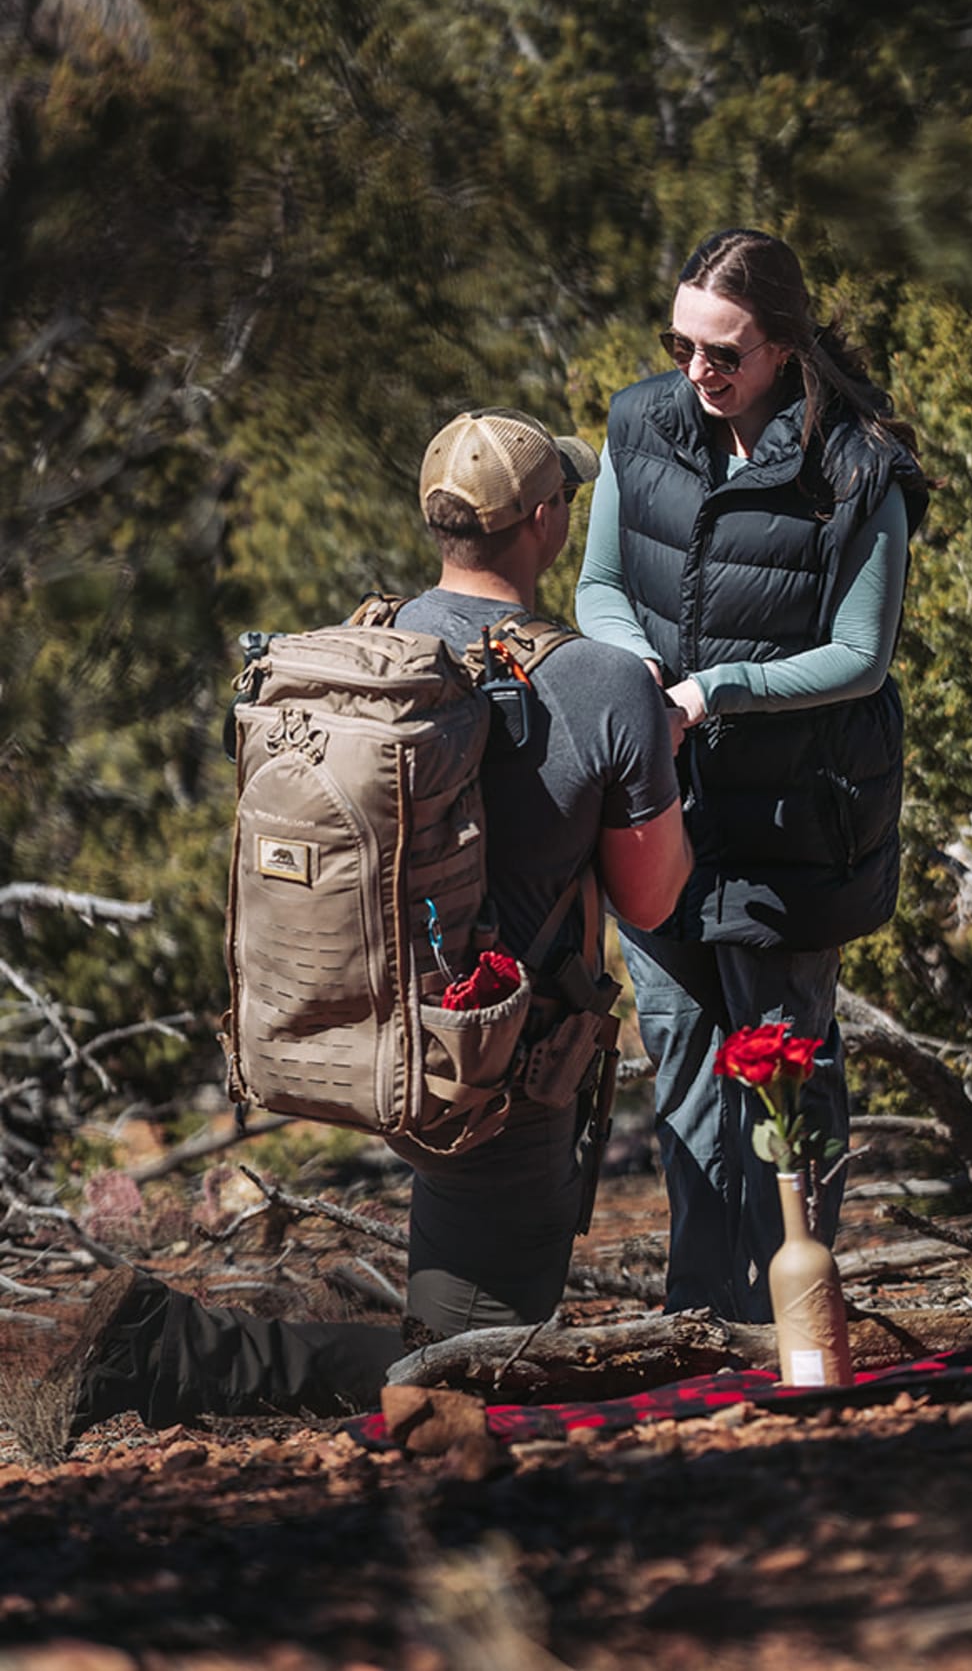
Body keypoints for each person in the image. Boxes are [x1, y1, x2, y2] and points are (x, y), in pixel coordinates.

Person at [16, 410, 691, 1458]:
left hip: (363, 1028)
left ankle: (178, 1348)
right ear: (548, 520)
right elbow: (651, 902)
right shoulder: (604, 684)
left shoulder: (367, 646)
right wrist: (663, 750)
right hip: (496, 1068)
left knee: (483, 1341)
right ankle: (172, 1349)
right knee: (478, 1374)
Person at [574, 228, 927, 1324]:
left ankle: (795, 1316)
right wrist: (637, 675)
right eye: (681, 344)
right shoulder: (640, 428)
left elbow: (860, 656)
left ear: (784, 347)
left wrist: (709, 692)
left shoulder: (862, 467)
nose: (697, 372)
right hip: (663, 814)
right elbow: (596, 585)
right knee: (678, 1054)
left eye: (723, 351)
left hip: (795, 821)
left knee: (786, 1064)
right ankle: (701, 1313)